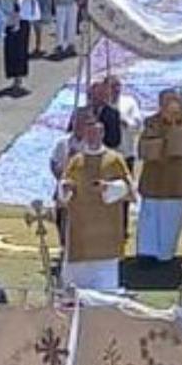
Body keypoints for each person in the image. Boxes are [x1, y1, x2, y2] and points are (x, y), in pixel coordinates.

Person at [59, 108, 134, 292]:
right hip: (81, 227)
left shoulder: (114, 159)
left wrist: (109, 188)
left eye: (96, 133)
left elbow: (128, 188)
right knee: (78, 279)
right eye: (89, 133)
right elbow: (63, 189)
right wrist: (65, 188)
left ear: (102, 134)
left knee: (104, 279)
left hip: (105, 228)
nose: (92, 137)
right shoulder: (76, 160)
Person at [135, 89, 182, 262]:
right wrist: (163, 142)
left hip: (176, 182)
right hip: (153, 181)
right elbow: (146, 149)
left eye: (173, 101)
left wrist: (168, 136)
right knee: (149, 220)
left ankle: (165, 255)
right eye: (165, 102)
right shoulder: (151, 122)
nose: (169, 106)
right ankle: (146, 253)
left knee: (170, 221)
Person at [0, 0, 30, 95]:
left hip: (21, 24)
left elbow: (21, 7)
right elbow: (3, 10)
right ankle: (13, 75)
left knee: (21, 50)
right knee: (10, 51)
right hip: (9, 24)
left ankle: (20, 76)